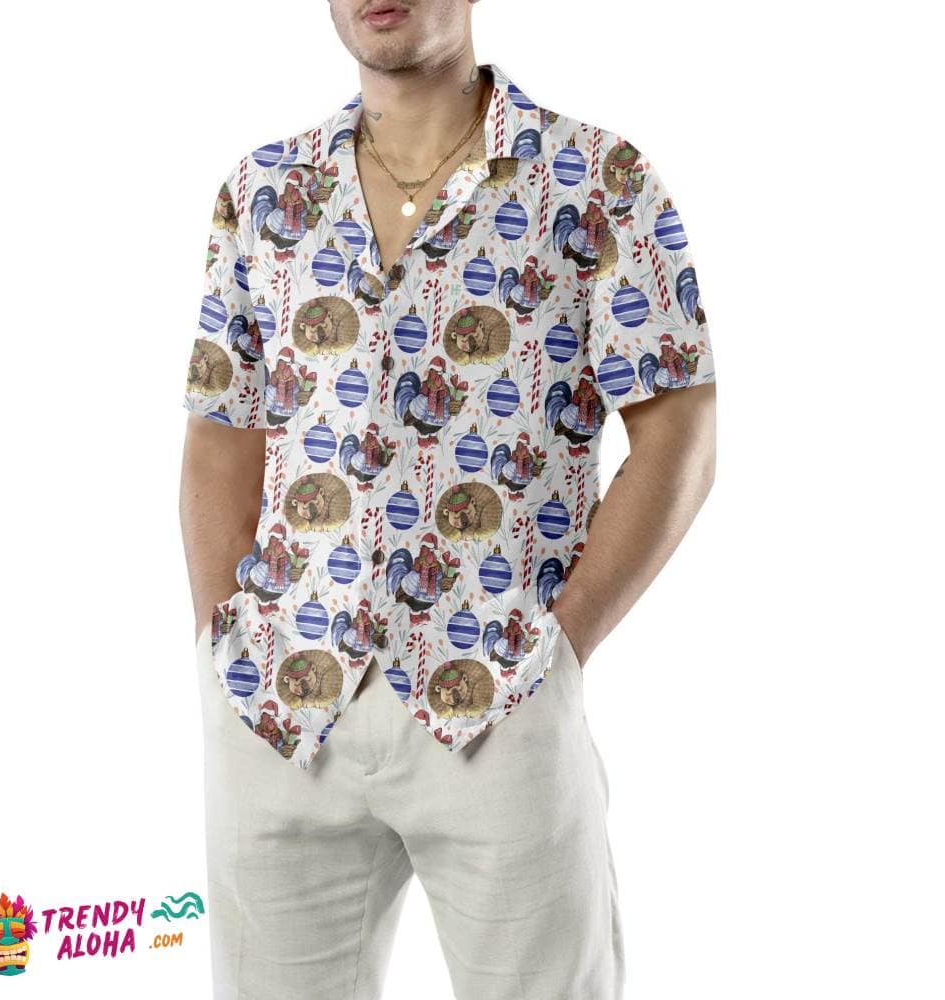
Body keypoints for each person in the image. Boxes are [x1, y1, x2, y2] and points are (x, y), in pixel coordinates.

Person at [178, 2, 716, 997]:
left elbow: (679, 427)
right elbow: (221, 436)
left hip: (501, 696)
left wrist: (561, 646)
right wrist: (222, 641)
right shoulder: (262, 192)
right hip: (280, 708)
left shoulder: (598, 178)